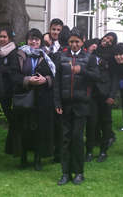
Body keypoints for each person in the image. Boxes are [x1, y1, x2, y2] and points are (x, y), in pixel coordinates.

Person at [53, 28, 98, 185]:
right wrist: (57, 102)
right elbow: (57, 81)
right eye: (71, 42)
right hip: (65, 104)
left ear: (83, 41)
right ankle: (65, 173)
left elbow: (96, 76)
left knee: (77, 138)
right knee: (65, 139)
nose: (73, 45)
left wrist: (82, 70)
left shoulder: (89, 58)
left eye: (76, 42)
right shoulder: (61, 57)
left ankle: (79, 172)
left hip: (81, 104)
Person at [8, 28, 55, 171]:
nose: (33, 41)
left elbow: (55, 75)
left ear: (40, 40)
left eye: (36, 39)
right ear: (27, 40)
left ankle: (38, 159)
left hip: (42, 99)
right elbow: (13, 74)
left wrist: (44, 80)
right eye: (30, 38)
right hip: (24, 97)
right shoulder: (18, 54)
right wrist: (28, 80)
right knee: (23, 128)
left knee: (39, 129)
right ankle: (23, 158)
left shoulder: (48, 55)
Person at [85, 33, 119, 163]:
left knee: (105, 122)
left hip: (105, 92)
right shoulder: (93, 49)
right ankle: (89, 151)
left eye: (111, 41)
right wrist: (89, 51)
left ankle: (103, 151)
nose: (107, 41)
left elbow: (115, 76)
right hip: (92, 90)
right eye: (106, 38)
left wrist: (112, 95)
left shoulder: (112, 55)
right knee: (91, 121)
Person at [50, 25, 71, 164]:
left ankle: (59, 153)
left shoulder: (54, 55)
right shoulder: (71, 57)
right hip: (70, 94)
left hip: (57, 94)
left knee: (59, 126)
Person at [0, 28, 18, 155]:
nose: (1, 39)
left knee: (10, 115)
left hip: (7, 89)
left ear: (10, 38)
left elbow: (12, 70)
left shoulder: (13, 52)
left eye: (4, 37)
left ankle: (14, 140)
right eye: (0, 36)